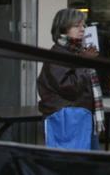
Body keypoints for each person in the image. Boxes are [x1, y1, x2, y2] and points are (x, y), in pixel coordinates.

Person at [36, 8, 104, 149]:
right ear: (63, 28)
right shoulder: (58, 55)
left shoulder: (77, 52)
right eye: (77, 25)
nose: (82, 29)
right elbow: (70, 88)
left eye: (83, 25)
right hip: (67, 124)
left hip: (81, 120)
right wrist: (84, 63)